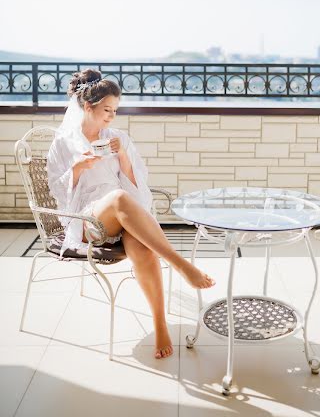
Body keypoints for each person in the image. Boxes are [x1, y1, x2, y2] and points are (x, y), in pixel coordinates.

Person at [47, 68, 215, 359]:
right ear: (88, 107)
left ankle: (160, 324)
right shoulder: (63, 144)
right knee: (119, 198)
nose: (111, 117)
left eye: (115, 110)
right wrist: (77, 169)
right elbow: (56, 193)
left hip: (123, 215)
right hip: (88, 221)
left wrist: (123, 155)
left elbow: (139, 189)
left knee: (143, 246)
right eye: (107, 110)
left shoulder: (118, 138)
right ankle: (181, 265)